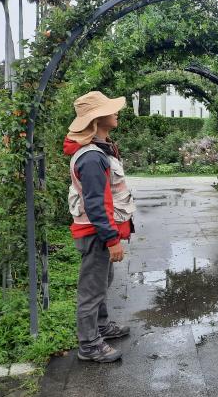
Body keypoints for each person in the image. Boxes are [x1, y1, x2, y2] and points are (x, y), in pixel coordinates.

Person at [63, 91, 136, 362]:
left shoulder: (100, 150)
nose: (116, 112)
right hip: (95, 233)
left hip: (98, 232)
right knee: (91, 289)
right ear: (97, 118)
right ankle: (90, 345)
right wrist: (111, 239)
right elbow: (97, 204)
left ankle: (101, 327)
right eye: (111, 109)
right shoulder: (92, 157)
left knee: (103, 281)